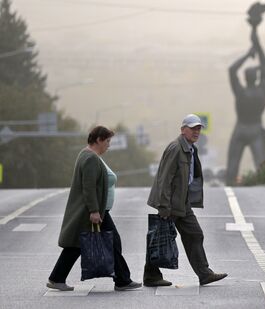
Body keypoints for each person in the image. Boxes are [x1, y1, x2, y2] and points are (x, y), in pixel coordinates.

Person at [47, 126, 141, 291]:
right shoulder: (91, 158)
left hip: (95, 210)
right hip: (94, 211)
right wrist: (94, 211)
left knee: (77, 245)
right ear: (98, 140)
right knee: (105, 242)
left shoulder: (85, 154)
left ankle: (57, 278)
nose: (109, 145)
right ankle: (122, 280)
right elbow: (88, 187)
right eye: (107, 141)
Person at [144, 114, 227, 287]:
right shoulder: (175, 148)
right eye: (193, 128)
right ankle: (151, 275)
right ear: (183, 130)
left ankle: (204, 274)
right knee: (161, 238)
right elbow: (164, 178)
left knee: (195, 234)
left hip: (182, 202)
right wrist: (163, 205)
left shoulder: (191, 148)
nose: (197, 132)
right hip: (170, 203)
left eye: (199, 129)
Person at [226, 8, 265, 185]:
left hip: (241, 129)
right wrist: (257, 44)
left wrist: (247, 54)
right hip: (255, 130)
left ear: (245, 78)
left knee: (232, 167)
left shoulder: (241, 92)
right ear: (257, 77)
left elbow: (231, 69)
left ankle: (229, 186)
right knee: (261, 166)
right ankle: (264, 183)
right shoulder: (262, 90)